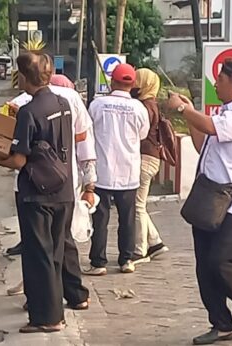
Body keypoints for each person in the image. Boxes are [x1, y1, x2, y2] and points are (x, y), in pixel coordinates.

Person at [167, 58, 232, 345]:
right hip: (210, 199)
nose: (215, 83)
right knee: (204, 266)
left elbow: (209, 127)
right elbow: (202, 142)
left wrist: (185, 108)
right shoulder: (223, 113)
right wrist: (188, 115)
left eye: (220, 78)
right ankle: (220, 323)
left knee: (221, 261)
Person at [0, 52, 74, 333]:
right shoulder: (63, 104)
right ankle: (56, 314)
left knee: (38, 257)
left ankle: (45, 318)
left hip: (36, 195)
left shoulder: (29, 111)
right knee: (55, 255)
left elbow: (18, 159)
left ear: (24, 77)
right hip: (63, 192)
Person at [3, 74, 93, 312]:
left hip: (35, 183)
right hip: (66, 180)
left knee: (39, 249)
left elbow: (12, 143)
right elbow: (84, 139)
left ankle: (43, 304)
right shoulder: (69, 100)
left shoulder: (25, 103)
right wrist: (89, 180)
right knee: (64, 242)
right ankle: (76, 295)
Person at [83, 63, 149, 276]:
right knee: (127, 218)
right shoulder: (139, 108)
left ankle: (98, 262)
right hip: (128, 171)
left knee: (100, 219)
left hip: (103, 171)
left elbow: (89, 130)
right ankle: (126, 259)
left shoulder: (98, 104)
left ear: (112, 81)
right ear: (133, 85)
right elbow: (143, 135)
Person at [131, 69, 170, 264]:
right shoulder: (151, 104)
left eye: (138, 80)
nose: (134, 84)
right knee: (139, 204)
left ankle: (140, 250)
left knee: (137, 205)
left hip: (144, 158)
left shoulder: (145, 107)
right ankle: (155, 242)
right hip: (151, 157)